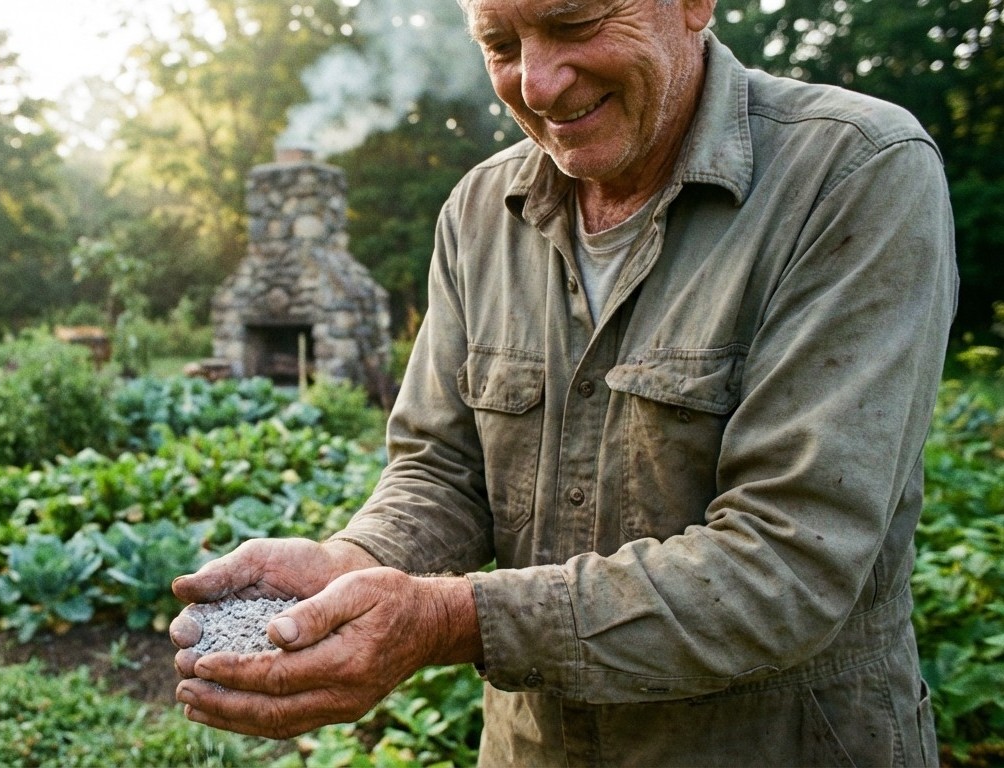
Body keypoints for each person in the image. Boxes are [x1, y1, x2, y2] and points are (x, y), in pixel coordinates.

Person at [170, 0, 958, 763]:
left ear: (692, 3)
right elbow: (442, 469)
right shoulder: (481, 208)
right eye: (501, 45)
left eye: (575, 22)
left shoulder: (853, 171)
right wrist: (354, 559)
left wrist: (448, 621)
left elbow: (789, 563)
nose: (538, 85)